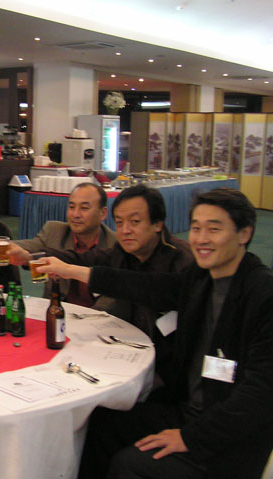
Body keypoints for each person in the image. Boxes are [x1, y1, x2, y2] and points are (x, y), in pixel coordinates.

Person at [37, 188, 273, 479]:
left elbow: (260, 394)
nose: (201, 239)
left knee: (130, 465)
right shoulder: (201, 278)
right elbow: (144, 285)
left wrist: (190, 437)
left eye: (214, 229)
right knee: (100, 423)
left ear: (244, 233)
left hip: (227, 438)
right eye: (196, 228)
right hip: (188, 410)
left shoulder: (262, 294)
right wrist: (72, 270)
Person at [8, 184, 193, 385]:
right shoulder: (123, 252)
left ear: (157, 224)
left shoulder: (181, 258)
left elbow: (142, 285)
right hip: (129, 349)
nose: (125, 230)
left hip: (170, 369)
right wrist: (29, 258)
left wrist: (72, 271)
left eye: (135, 222)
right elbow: (83, 258)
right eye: (120, 222)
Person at [11, 182, 116, 302]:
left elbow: (114, 301)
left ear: (103, 213)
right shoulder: (54, 231)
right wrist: (5, 248)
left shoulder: (115, 244)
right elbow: (29, 247)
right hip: (56, 310)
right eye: (71, 207)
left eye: (84, 208)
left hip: (100, 313)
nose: (75, 214)